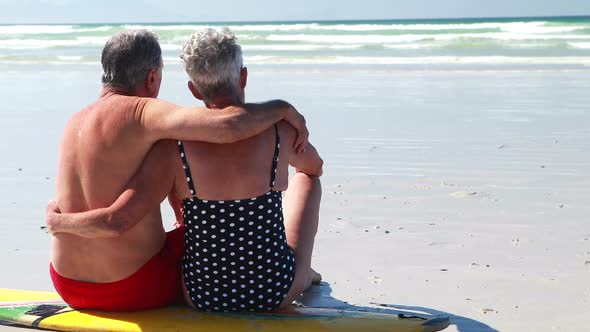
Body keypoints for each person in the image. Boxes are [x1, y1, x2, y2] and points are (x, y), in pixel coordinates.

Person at [47, 28, 323, 313]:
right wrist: (282, 108)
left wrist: (60, 223)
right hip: (133, 288)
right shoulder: (142, 113)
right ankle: (303, 273)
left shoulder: (74, 123)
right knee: (211, 231)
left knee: (192, 219)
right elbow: (227, 125)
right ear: (152, 77)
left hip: (67, 284)